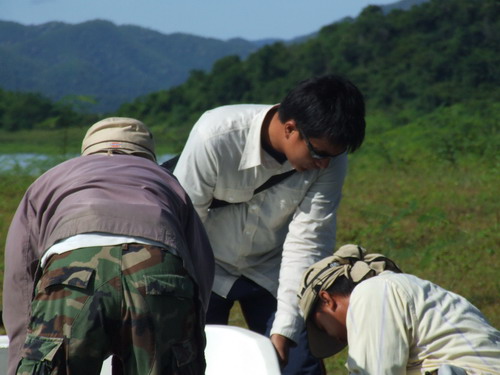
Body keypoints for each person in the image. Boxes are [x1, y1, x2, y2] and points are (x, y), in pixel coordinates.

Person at [173, 74, 366, 374]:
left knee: (300, 367)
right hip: (207, 267)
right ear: (290, 129)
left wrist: (284, 330)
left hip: (272, 272)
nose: (324, 164)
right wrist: (189, 307)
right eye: (319, 153)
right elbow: (186, 229)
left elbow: (308, 241)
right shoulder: (215, 137)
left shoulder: (331, 159)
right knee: (192, 363)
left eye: (334, 155)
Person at [3, 117, 215, 375]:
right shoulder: (166, 180)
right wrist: (191, 332)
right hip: (158, 271)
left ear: (87, 153)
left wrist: (20, 357)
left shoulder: (52, 178)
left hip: (71, 270)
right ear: (148, 156)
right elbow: (200, 268)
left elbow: (20, 275)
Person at [298, 244, 500, 375]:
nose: (336, 339)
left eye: (322, 328)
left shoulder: (372, 292)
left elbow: (376, 372)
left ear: (327, 300)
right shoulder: (401, 286)